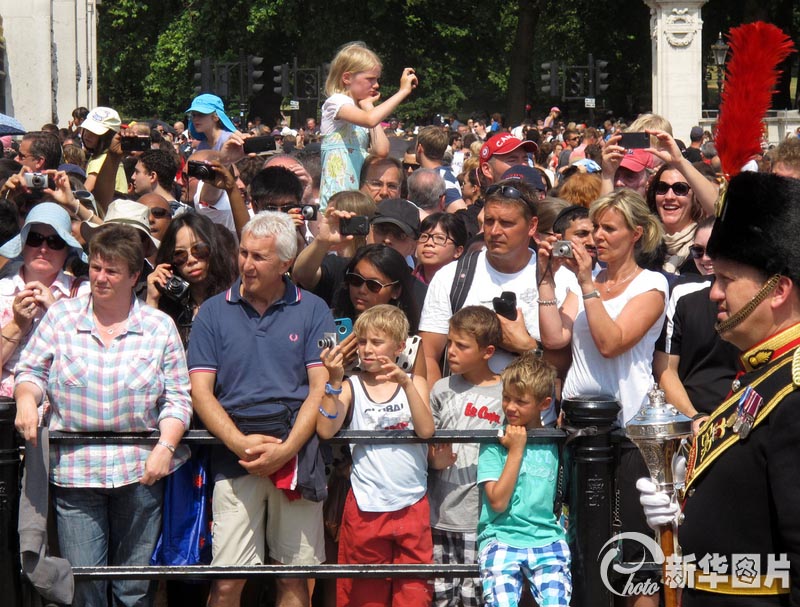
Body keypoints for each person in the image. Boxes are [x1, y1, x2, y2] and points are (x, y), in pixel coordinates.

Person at [639, 172, 800, 606]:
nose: (714, 293)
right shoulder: (760, 371)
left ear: (778, 290)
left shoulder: (795, 390)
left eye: (727, 279)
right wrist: (683, 509)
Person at [13, 223, 193, 607]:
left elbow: (178, 398)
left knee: (134, 589)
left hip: (141, 472)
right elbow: (30, 371)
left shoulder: (160, 328)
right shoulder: (61, 318)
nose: (100, 277)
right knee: (85, 587)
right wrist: (27, 399)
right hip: (76, 474)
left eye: (111, 270)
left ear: (134, 276)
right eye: (95, 267)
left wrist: (166, 445)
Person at [187, 211, 335, 607]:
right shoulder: (213, 313)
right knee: (226, 583)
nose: (247, 264)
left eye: (259, 257)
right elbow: (201, 393)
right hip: (235, 456)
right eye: (243, 253)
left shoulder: (314, 309)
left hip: (297, 455)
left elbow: (320, 389)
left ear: (286, 263)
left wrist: (285, 451)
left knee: (295, 579)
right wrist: (240, 444)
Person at [537, 188, 667, 605]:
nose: (598, 237)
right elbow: (554, 335)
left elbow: (612, 342)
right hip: (579, 430)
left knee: (634, 553)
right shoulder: (588, 283)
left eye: (609, 229)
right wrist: (545, 277)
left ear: (637, 234)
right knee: (587, 545)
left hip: (628, 433)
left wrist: (586, 282)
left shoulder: (652, 284)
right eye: (594, 229)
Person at [317, 304, 434, 607]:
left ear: (399, 346)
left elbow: (426, 430)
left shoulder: (415, 382)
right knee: (365, 598)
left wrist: (406, 382)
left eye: (376, 342)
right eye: (362, 342)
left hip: (412, 502)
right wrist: (332, 381)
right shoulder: (350, 386)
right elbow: (326, 430)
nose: (367, 350)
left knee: (413, 596)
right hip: (366, 506)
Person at [477, 353, 571, 607]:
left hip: (547, 537)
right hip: (501, 537)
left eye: (521, 401)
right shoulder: (495, 443)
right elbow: (497, 502)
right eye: (506, 398)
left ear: (544, 403)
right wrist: (516, 449)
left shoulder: (556, 443)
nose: (510, 407)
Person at [428, 306, 504, 607]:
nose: (451, 352)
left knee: (476, 597)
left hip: (482, 519)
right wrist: (434, 461)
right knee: (440, 597)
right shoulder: (441, 389)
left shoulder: (505, 394)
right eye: (450, 343)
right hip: (440, 513)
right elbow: (428, 447)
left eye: (462, 345)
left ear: (487, 351)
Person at [652, 217, 740, 431]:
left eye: (713, 250)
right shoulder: (682, 294)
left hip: (746, 419)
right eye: (697, 251)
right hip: (694, 423)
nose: (706, 258)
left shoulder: (761, 295)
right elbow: (665, 369)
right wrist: (695, 417)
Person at [0, 203, 90, 398]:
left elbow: (94, 361)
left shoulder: (85, 294)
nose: (43, 249)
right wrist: (17, 324)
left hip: (61, 413)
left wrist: (56, 312)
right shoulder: (2, 291)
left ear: (67, 250)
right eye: (35, 239)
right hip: (5, 412)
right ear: (23, 244)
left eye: (54, 242)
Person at [319, 41, 418, 210]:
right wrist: (402, 92)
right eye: (370, 79)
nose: (376, 85)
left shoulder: (362, 113)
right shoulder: (336, 102)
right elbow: (370, 120)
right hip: (333, 203)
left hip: (355, 203)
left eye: (377, 79)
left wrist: (368, 106)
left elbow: (382, 150)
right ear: (347, 78)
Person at [146, 213, 238, 346]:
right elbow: (149, 349)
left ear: (213, 248)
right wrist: (153, 300)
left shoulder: (235, 296)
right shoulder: (169, 308)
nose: (191, 260)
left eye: (199, 249)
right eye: (179, 254)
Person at [80, 107, 128, 194]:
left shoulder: (100, 160)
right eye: (87, 130)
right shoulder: (103, 156)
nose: (88, 135)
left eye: (94, 132)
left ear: (109, 137)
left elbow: (86, 191)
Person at [413, 212, 466, 285]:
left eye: (440, 238)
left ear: (458, 251)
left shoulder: (463, 287)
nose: (429, 243)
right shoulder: (405, 282)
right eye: (424, 236)